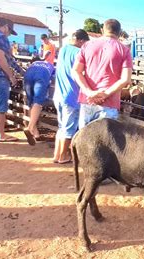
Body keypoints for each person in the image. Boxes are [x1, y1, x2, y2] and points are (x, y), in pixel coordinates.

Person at [72, 19, 132, 129]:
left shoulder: (87, 45)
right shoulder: (124, 50)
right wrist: (105, 94)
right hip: (109, 104)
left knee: (83, 143)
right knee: (106, 144)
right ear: (119, 33)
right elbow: (126, 79)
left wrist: (89, 92)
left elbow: (76, 71)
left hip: (88, 101)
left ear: (102, 30)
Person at [52, 29, 89, 163]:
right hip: (71, 95)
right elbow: (82, 73)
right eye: (85, 43)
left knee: (62, 126)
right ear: (81, 41)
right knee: (70, 127)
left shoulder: (63, 49)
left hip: (59, 94)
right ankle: (63, 156)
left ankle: (57, 155)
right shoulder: (79, 53)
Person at [22, 59, 55, 145]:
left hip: (28, 74)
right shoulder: (51, 66)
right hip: (42, 75)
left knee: (30, 102)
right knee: (38, 101)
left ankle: (36, 134)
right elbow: (54, 78)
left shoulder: (34, 64)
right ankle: (30, 128)